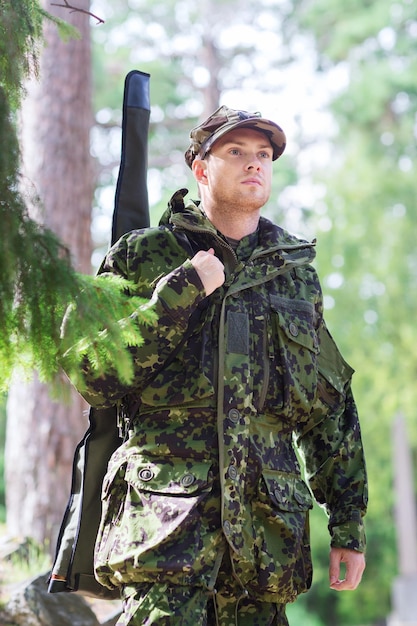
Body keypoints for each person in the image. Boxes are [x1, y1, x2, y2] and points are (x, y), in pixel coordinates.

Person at [66, 105, 368, 626]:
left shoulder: (293, 276)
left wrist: (348, 525)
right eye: (236, 152)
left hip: (265, 545)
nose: (255, 164)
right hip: (164, 537)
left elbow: (328, 407)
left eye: (264, 155)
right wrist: (179, 295)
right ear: (201, 168)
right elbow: (92, 372)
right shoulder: (143, 257)